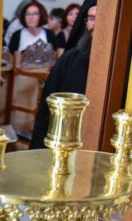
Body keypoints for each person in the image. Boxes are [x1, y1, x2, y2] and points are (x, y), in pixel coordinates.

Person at [30, 0, 96, 149]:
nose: (96, 25)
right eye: (92, 18)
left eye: (102, 18)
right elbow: (48, 108)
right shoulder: (69, 60)